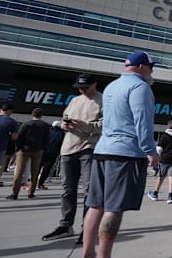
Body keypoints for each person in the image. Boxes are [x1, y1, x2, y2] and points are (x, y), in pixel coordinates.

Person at [81, 51, 160, 258]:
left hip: (102, 149)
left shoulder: (111, 87)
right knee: (114, 208)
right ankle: (104, 255)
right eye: (151, 67)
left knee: (95, 205)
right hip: (124, 154)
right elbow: (142, 121)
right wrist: (150, 150)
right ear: (142, 67)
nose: (152, 71)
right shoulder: (140, 87)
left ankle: (87, 252)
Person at [42, 73, 103, 242]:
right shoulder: (75, 100)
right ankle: (65, 225)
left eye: (85, 87)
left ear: (94, 84)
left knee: (89, 190)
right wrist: (64, 125)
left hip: (89, 149)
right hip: (68, 148)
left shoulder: (103, 100)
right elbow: (64, 119)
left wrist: (85, 125)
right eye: (79, 87)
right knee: (67, 190)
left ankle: (88, 227)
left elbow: (106, 125)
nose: (82, 90)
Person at [7, 108, 50, 200]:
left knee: (19, 171)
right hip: (38, 150)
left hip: (24, 149)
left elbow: (20, 137)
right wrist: (42, 147)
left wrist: (18, 148)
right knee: (34, 172)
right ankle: (31, 192)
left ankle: (15, 193)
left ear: (32, 114)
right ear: (41, 115)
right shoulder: (45, 126)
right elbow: (47, 139)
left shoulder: (26, 124)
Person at [37, 121, 66, 190]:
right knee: (46, 169)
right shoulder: (62, 134)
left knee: (37, 167)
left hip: (42, 152)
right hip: (53, 153)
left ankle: (33, 182)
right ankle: (41, 183)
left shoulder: (47, 131)